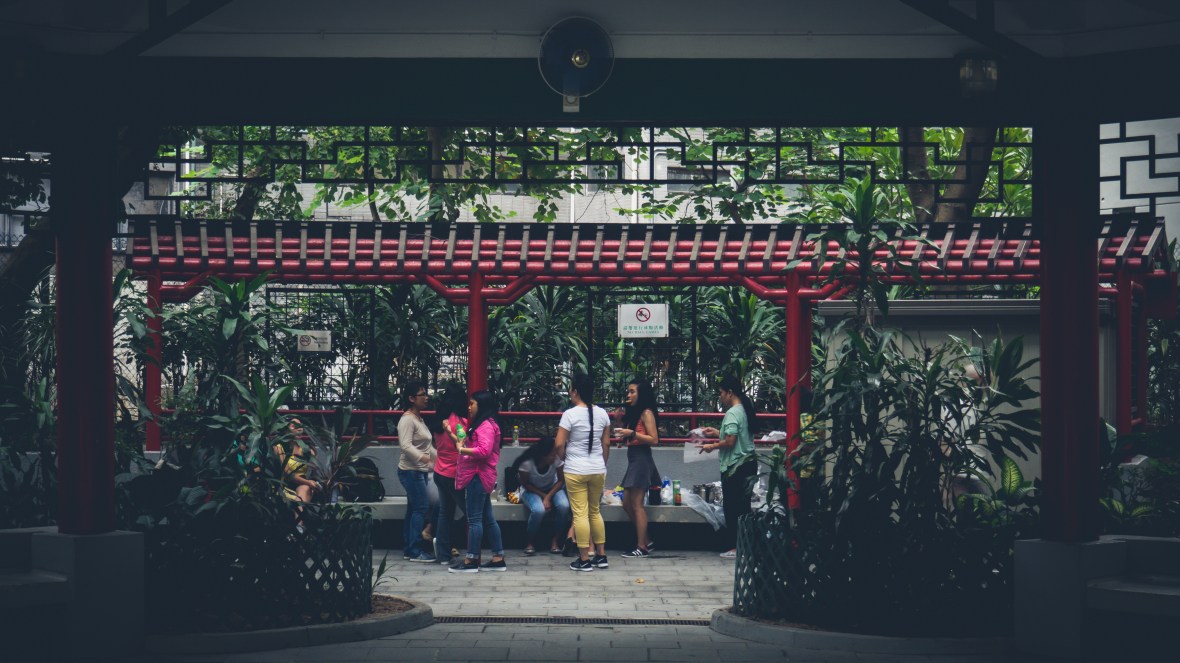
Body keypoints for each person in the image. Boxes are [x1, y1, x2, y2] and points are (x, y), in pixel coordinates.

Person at [698, 375, 758, 559]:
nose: (720, 397)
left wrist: (711, 446)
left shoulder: (732, 413)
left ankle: (735, 547)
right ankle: (747, 545)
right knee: (744, 507)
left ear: (730, 393)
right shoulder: (744, 409)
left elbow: (731, 441)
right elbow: (737, 435)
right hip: (748, 463)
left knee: (732, 508)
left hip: (735, 466)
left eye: (721, 393)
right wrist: (717, 432)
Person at [556, 373, 611, 572]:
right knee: (595, 512)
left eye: (571, 389)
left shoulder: (569, 415)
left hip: (575, 469)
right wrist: (601, 463)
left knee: (580, 514)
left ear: (576, 391)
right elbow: (606, 443)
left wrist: (565, 458)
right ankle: (602, 556)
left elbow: (559, 444)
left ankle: (584, 559)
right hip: (597, 468)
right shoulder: (603, 414)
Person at [451, 389, 506, 573]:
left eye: (472, 403)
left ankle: (471, 560)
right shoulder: (487, 424)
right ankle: (498, 557)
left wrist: (462, 450)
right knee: (488, 519)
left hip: (477, 475)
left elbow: (484, 451)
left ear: (481, 404)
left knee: (474, 519)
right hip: (482, 475)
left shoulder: (485, 426)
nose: (469, 407)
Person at [612, 379, 661, 558]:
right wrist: (619, 421)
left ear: (642, 394)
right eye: (629, 392)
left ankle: (642, 546)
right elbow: (626, 436)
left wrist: (632, 433)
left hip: (641, 458)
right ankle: (646, 540)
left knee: (636, 505)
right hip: (634, 458)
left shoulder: (647, 413)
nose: (629, 395)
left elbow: (654, 439)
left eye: (632, 391)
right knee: (627, 504)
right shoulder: (635, 413)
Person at [428, 382, 469, 565]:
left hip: (440, 471)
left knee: (445, 513)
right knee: (472, 513)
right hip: (455, 473)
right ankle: (473, 552)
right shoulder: (461, 423)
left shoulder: (439, 421)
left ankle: (443, 554)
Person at [397, 381, 437, 563]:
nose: (426, 397)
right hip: (410, 471)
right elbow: (405, 446)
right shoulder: (407, 420)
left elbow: (427, 446)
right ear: (412, 399)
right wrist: (426, 459)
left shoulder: (418, 418)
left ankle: (409, 548)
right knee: (420, 507)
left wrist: (440, 460)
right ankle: (414, 550)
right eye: (422, 394)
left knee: (413, 509)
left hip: (418, 471)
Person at [511, 435, 570, 555]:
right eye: (552, 454)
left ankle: (555, 540)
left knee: (564, 506)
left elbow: (560, 481)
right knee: (539, 510)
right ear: (543, 455)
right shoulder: (527, 463)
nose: (555, 456)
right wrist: (543, 495)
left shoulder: (556, 459)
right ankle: (530, 541)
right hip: (531, 490)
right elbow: (525, 484)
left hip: (553, 488)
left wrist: (548, 496)